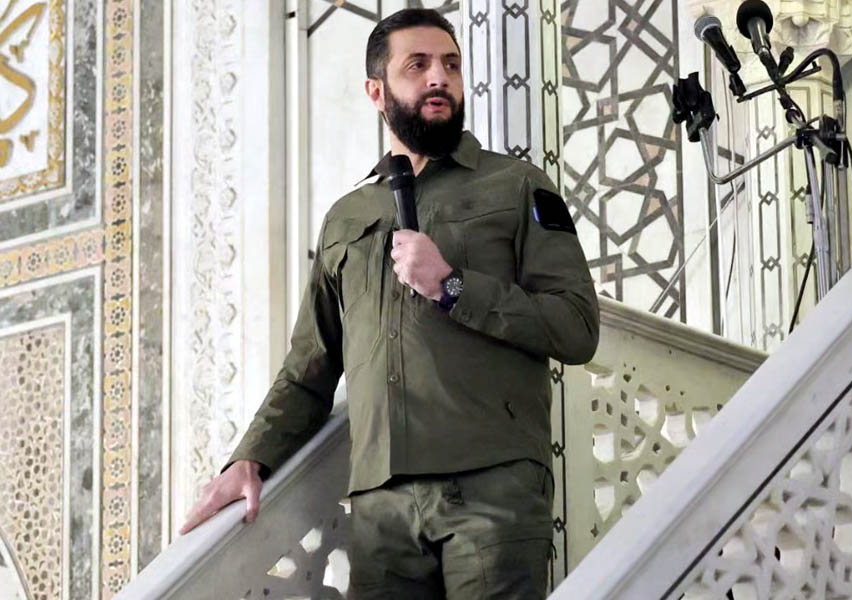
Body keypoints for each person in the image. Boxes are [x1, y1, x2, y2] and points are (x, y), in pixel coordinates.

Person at [180, 8, 599, 599]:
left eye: (451, 65)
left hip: (492, 495)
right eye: (418, 65)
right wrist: (250, 458)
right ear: (377, 91)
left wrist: (454, 287)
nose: (439, 78)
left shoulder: (518, 185)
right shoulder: (347, 218)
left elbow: (577, 326)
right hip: (381, 513)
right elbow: (309, 369)